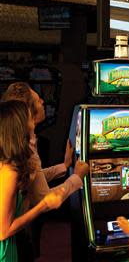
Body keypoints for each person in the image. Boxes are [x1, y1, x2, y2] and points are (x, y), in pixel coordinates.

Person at [1, 82, 89, 259]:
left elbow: (33, 177)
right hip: (9, 242)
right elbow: (4, 230)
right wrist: (76, 178)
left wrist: (63, 167)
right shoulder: (12, 165)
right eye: (37, 100)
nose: (43, 101)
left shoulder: (17, 151)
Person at [0, 100, 64, 262]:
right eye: (30, 119)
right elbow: (3, 230)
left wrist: (65, 166)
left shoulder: (8, 162)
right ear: (19, 128)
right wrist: (44, 205)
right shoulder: (9, 171)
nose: (33, 123)